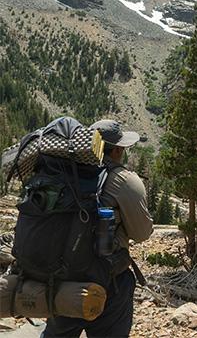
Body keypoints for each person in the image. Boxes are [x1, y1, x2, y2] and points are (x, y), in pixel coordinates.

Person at [43, 119, 154, 338]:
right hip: (108, 280)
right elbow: (142, 233)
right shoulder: (123, 180)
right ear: (118, 150)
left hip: (62, 278)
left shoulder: (63, 174)